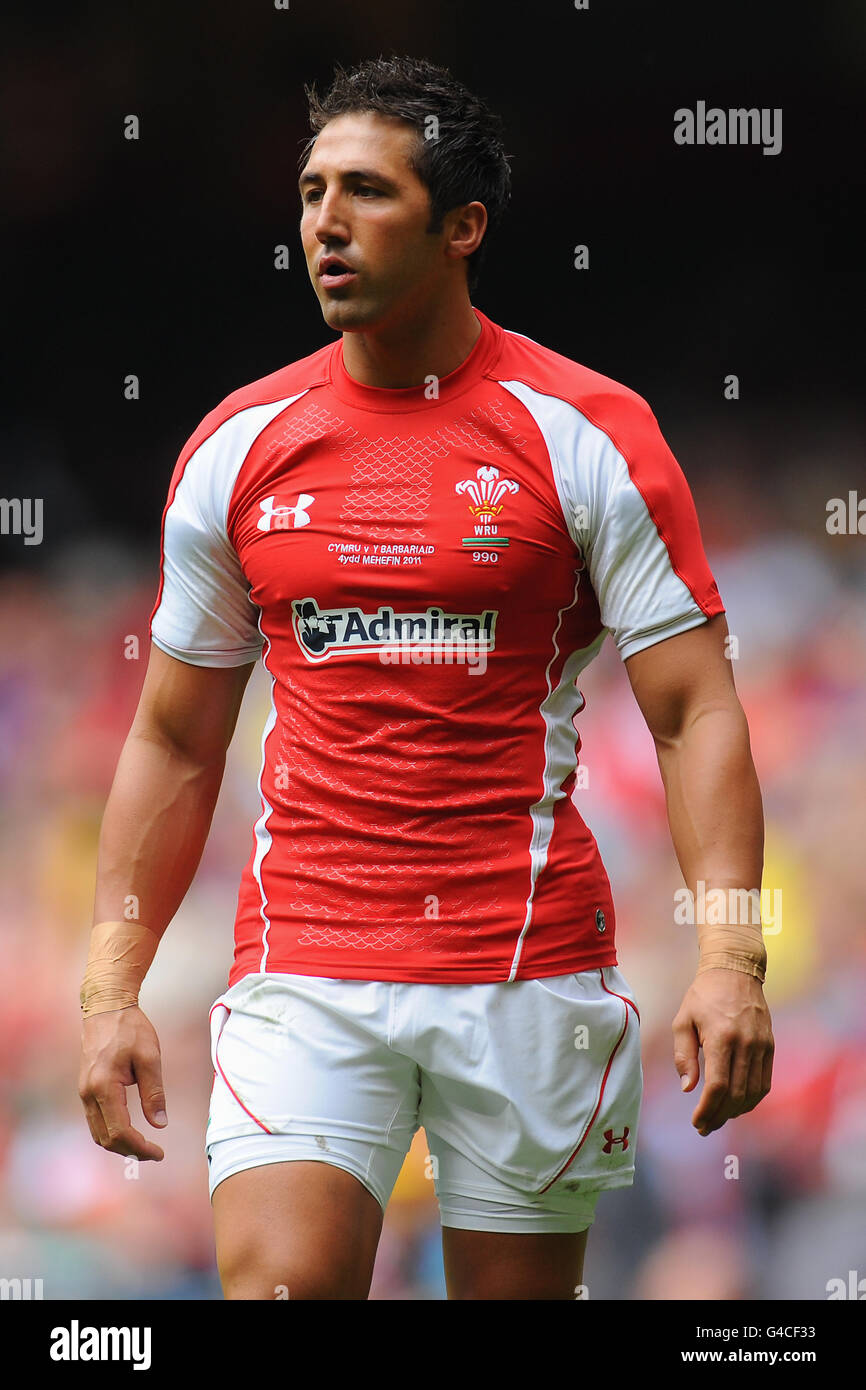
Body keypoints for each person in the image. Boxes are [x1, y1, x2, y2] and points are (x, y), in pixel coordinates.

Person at [78, 54, 774, 1301]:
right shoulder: (238, 445)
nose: (323, 224)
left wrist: (730, 961)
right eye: (307, 193)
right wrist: (110, 990)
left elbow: (692, 710)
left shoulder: (587, 432)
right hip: (303, 966)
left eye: (364, 191)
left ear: (463, 227)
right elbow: (175, 742)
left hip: (526, 970)